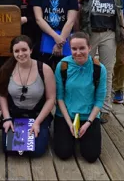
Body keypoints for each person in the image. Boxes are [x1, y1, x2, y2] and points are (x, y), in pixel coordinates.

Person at [78, 0, 124, 123]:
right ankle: (86, 106)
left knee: (106, 72)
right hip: (90, 35)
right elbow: (79, 16)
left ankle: (105, 109)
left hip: (109, 35)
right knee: (86, 70)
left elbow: (121, 20)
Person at [0, 35, 55, 157]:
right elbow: (2, 96)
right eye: (16, 51)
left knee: (37, 151)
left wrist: (38, 122)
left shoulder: (44, 69)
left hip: (37, 114)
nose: (20, 54)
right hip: (14, 115)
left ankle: (43, 127)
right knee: (10, 150)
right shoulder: (7, 69)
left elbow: (51, 98)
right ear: (12, 53)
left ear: (31, 50)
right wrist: (7, 119)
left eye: (24, 50)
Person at [53, 32, 106, 163]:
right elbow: (59, 97)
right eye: (74, 49)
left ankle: (82, 135)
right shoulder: (62, 66)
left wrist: (88, 123)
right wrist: (69, 122)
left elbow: (99, 100)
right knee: (63, 153)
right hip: (66, 115)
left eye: (82, 48)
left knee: (91, 156)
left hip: (88, 116)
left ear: (89, 47)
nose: (78, 52)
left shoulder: (99, 69)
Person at [33, 0, 78, 70]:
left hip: (64, 39)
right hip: (44, 38)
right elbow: (39, 19)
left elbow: (71, 20)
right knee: (43, 72)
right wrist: (55, 37)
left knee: (63, 74)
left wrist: (60, 42)